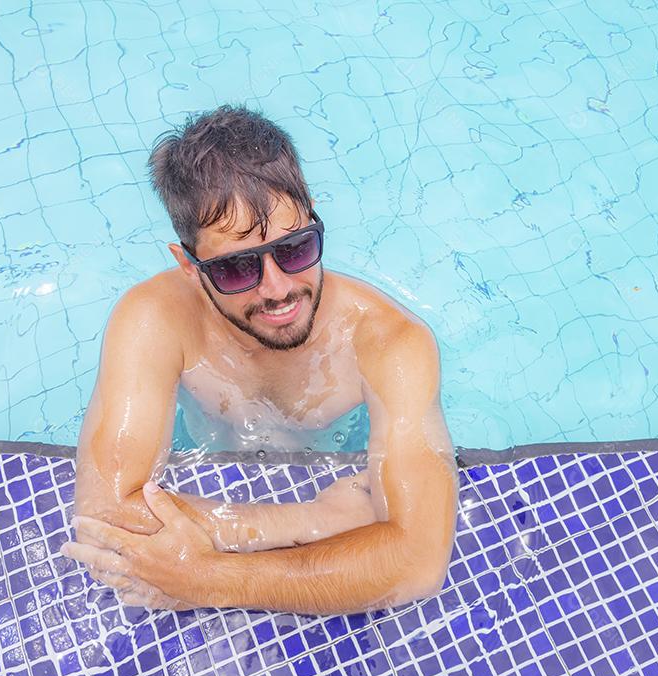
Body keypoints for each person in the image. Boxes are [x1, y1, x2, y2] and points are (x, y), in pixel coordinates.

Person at [60, 105, 457, 615]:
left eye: (294, 249)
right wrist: (312, 520)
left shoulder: (390, 343)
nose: (278, 290)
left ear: (313, 216)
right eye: (237, 268)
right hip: (261, 482)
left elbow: (420, 561)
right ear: (188, 264)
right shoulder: (155, 319)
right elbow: (104, 514)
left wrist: (208, 579)